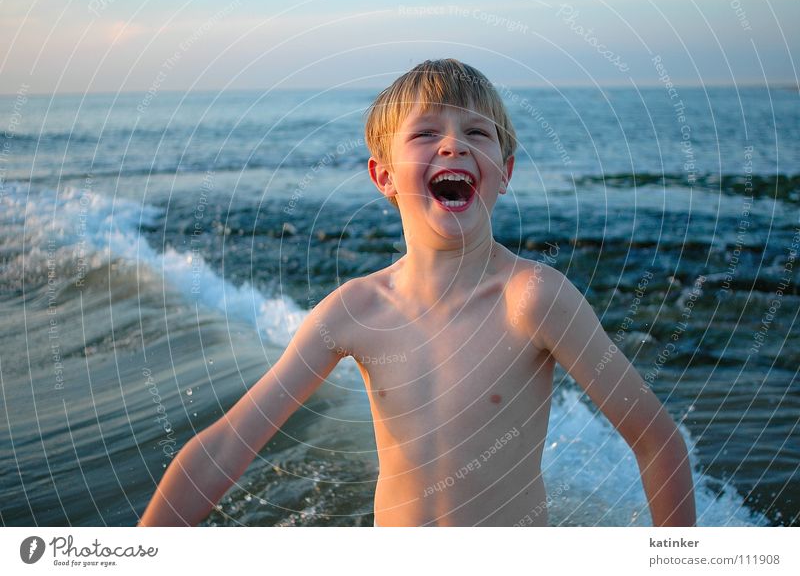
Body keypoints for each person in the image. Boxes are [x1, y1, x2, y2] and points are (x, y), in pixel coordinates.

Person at [138, 58, 696, 527]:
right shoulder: (357, 310)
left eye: (476, 133)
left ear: (504, 171)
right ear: (383, 176)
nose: (453, 144)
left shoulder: (531, 299)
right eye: (427, 133)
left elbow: (656, 441)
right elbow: (226, 447)